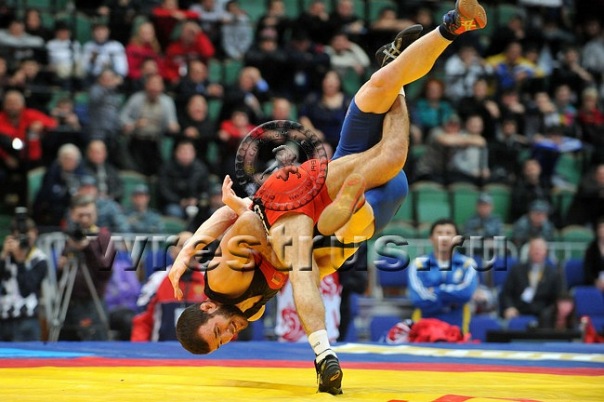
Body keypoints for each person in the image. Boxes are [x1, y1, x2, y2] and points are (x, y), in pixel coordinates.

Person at [171, 0, 487, 394]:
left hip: (284, 205)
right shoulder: (246, 312)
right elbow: (238, 220)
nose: (230, 334)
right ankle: (407, 55)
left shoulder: (222, 281)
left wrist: (194, 247)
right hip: (304, 214)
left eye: (219, 331)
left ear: (207, 307)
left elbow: (237, 219)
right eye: (223, 342)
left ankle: (452, 25)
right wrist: (224, 226)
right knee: (382, 88)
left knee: (316, 245)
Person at [132, 231, 207, 341]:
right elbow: (142, 320)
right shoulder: (156, 281)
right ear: (172, 251)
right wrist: (139, 348)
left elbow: (223, 319)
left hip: (200, 350)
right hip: (162, 349)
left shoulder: (210, 282)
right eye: (182, 246)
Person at [57, 195, 114, 341]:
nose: (84, 219)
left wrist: (88, 248)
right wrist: (62, 265)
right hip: (69, 301)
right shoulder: (69, 237)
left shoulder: (103, 236)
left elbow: (106, 271)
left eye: (88, 215)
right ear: (72, 214)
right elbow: (60, 275)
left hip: (92, 301)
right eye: (80, 215)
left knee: (95, 346)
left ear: (95, 215)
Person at [407, 218, 479, 333]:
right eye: (439, 233)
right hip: (424, 331)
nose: (444, 238)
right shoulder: (418, 264)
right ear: (431, 238)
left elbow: (466, 293)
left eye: (449, 233)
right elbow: (418, 299)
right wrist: (453, 301)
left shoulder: (468, 264)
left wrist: (436, 291)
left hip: (458, 329)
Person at [0, 209, 48, 341]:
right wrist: (3, 255)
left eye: (27, 235)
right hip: (3, 318)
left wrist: (20, 262)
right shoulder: (6, 256)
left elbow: (27, 290)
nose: (23, 240)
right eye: (18, 237)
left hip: (27, 319)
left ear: (35, 233)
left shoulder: (39, 259)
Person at [500, 237, 565, 328]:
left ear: (545, 252)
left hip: (544, 314)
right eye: (534, 249)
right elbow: (506, 293)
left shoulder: (554, 274)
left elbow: (559, 297)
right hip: (519, 311)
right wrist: (509, 307)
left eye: (540, 249)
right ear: (529, 251)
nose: (537, 252)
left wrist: (551, 312)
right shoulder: (516, 270)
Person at [583, 217, 604, 291]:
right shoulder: (591, 249)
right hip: (595, 283)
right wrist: (596, 282)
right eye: (601, 228)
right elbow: (588, 271)